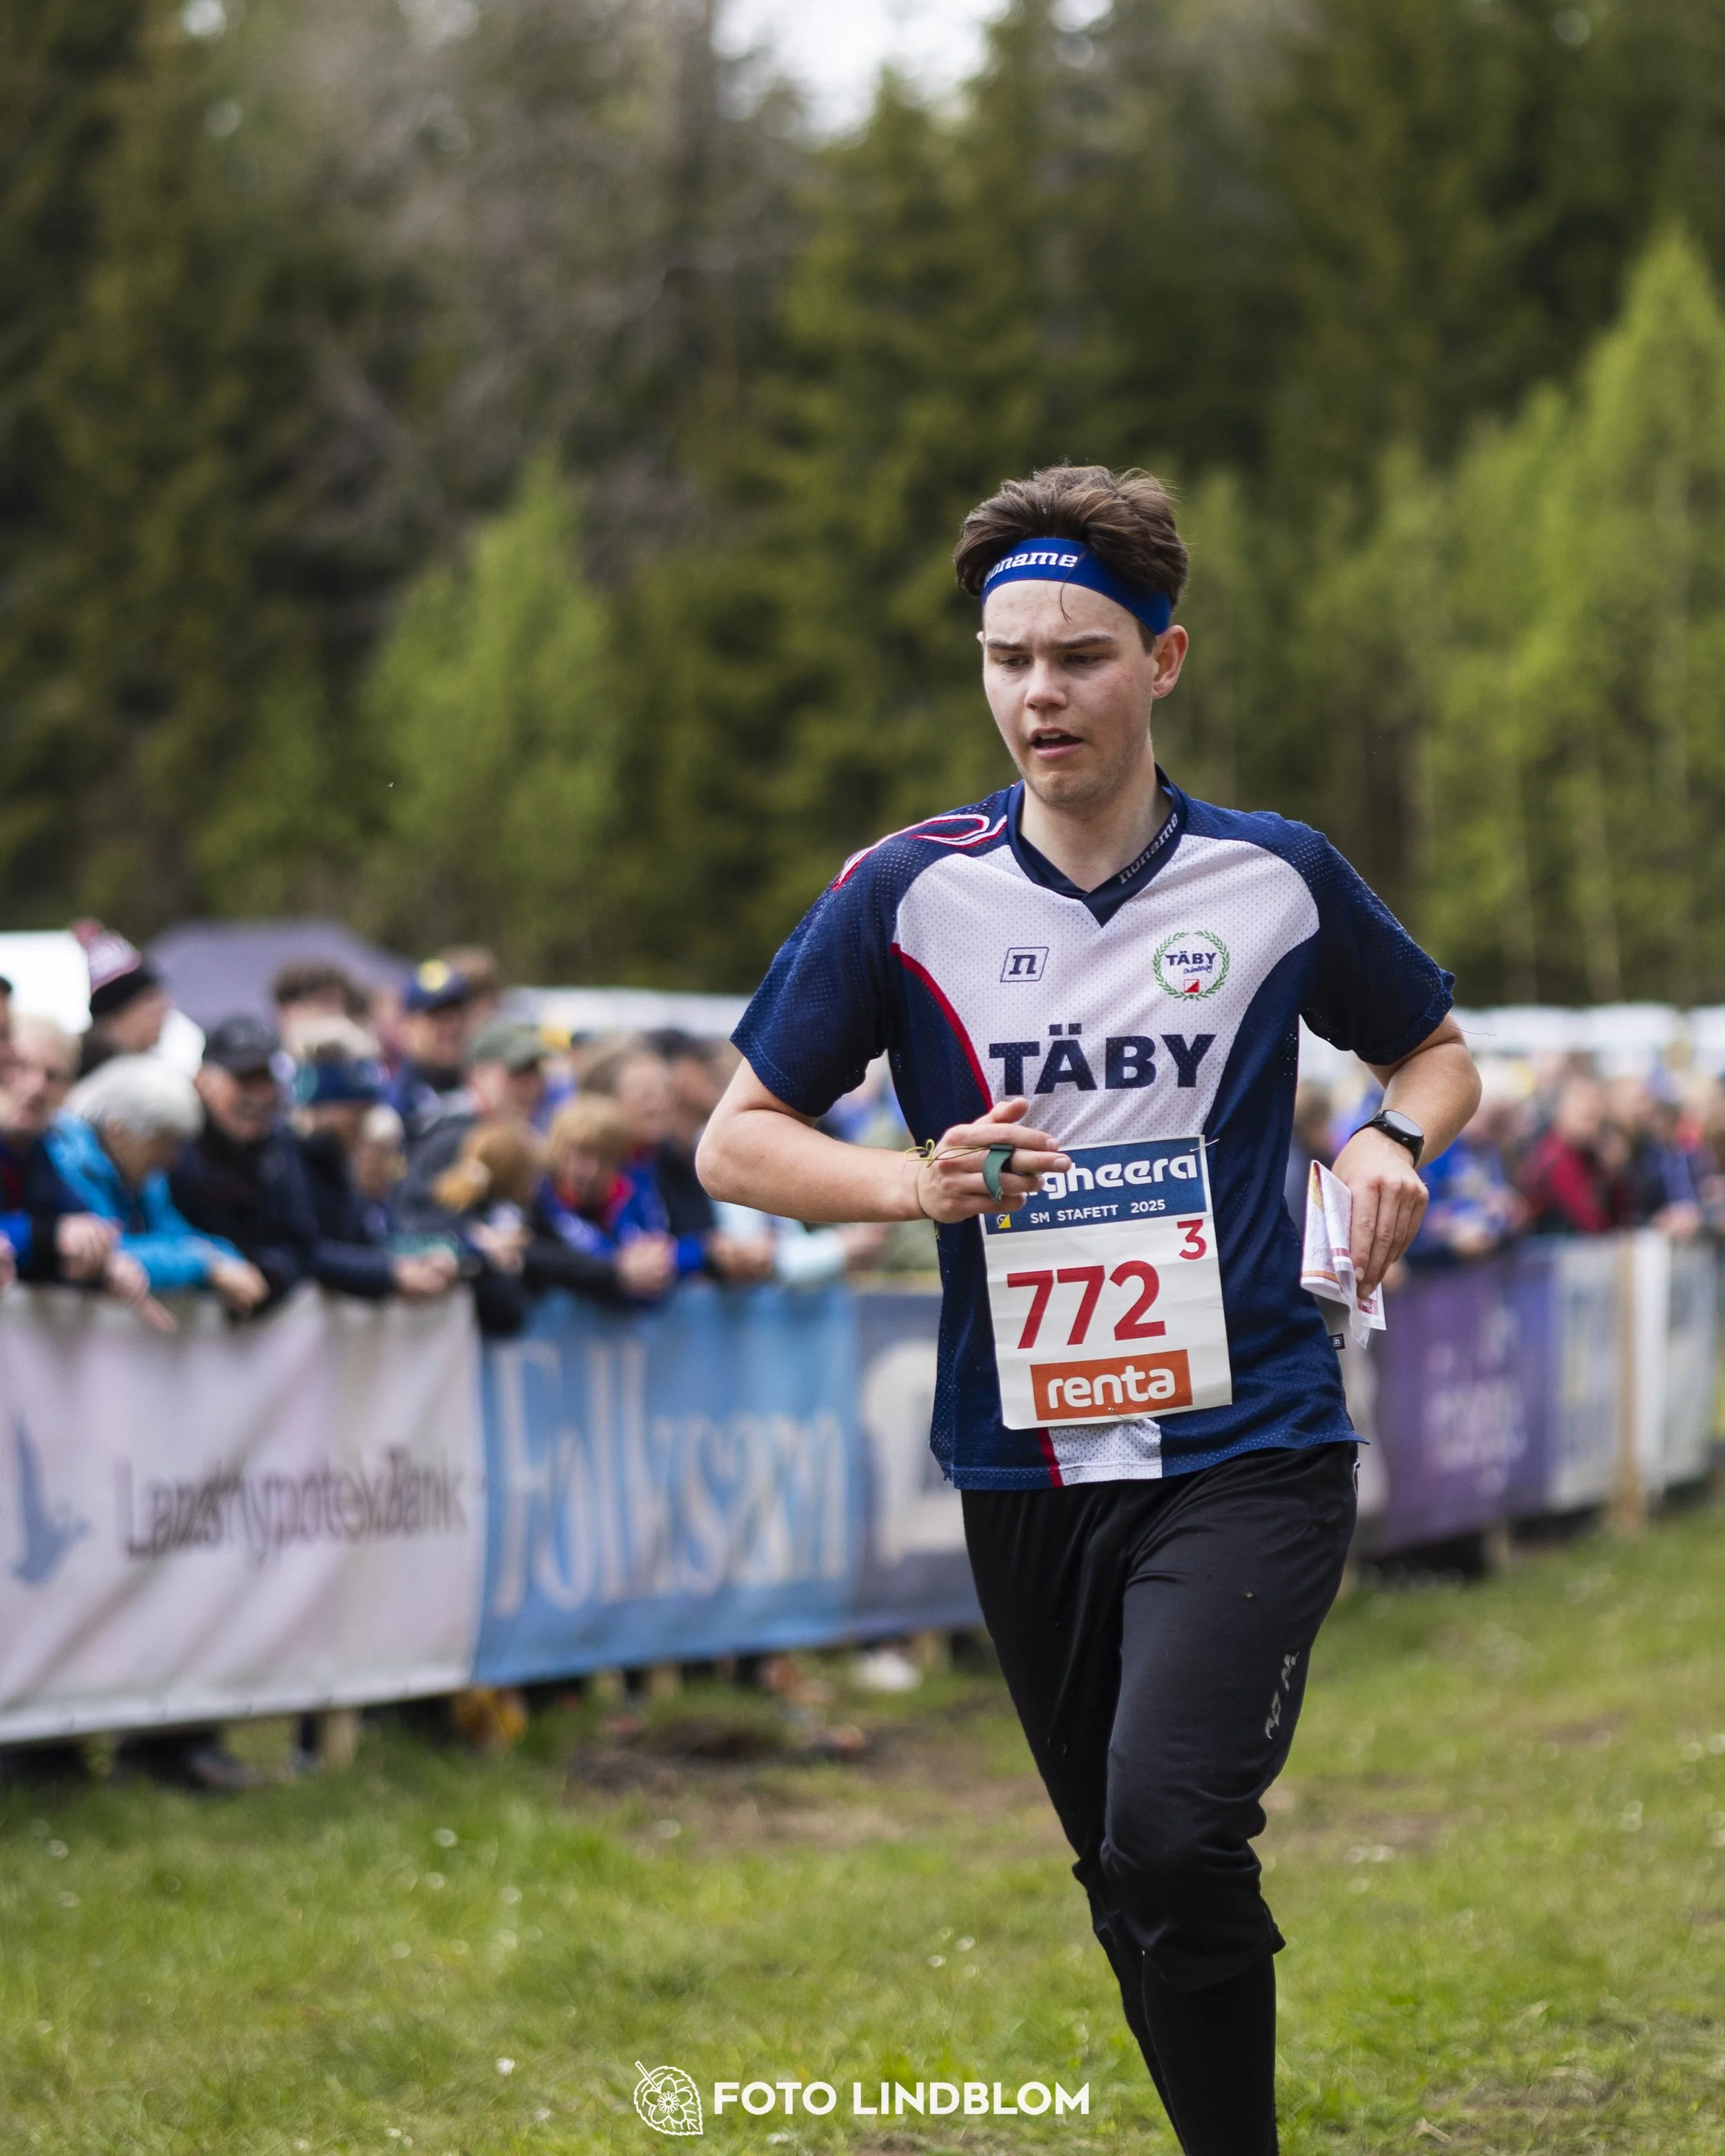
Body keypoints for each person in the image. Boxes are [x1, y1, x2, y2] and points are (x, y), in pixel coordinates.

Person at [698, 463, 1481, 2156]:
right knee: (1120, 1868)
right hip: (1026, 1454)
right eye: (1006, 658)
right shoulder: (908, 893)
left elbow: (1432, 1043)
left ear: (1165, 662)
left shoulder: (1273, 877)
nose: (1038, 693)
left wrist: (1392, 1133)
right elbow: (736, 1142)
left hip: (1249, 1436)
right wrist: (914, 1183)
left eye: (1080, 655)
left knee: (1175, 1827)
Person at [49, 1057, 268, 1320]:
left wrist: (227, 1259)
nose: (173, 1159)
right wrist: (206, 1266)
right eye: (165, 1142)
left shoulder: (145, 1181)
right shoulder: (65, 1163)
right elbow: (108, 1253)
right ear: (119, 1130)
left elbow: (177, 1235)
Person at [584, 1037, 775, 1285]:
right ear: (605, 1102)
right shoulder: (593, 1170)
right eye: (645, 1095)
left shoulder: (665, 1162)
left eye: (665, 1092)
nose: (660, 1104)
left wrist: (724, 1252)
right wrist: (706, 1254)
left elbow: (686, 1237)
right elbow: (615, 1253)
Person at [290, 1034, 460, 1302]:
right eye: (355, 1112)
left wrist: (428, 1257)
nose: (364, 1123)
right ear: (322, 1108)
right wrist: (389, 1276)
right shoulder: (288, 1164)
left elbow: (366, 1243)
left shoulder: (338, 1168)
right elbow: (299, 1251)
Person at [169, 1017, 318, 1312]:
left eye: (267, 1080)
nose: (259, 1096)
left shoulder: (280, 1150)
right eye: (245, 1079)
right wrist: (214, 1268)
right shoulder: (174, 1148)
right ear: (203, 1081)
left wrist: (267, 1275)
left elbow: (300, 1242)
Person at [0, 1014, 134, 1296]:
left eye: (53, 1076)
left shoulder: (40, 1155)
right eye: (20, 1066)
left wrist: (99, 1261)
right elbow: (54, 1233)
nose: (36, 1087)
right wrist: (50, 1238)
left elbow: (76, 1227)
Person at [531, 1095, 678, 1304]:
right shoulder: (536, 1201)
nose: (592, 1170)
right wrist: (615, 1272)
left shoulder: (629, 1196)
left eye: (605, 1157)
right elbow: (539, 1257)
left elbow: (661, 1255)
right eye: (582, 1154)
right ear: (558, 1151)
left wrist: (709, 1257)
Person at [1516, 1075, 1630, 1235]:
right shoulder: (1558, 1159)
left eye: (1597, 1117)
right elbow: (1593, 1226)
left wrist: (1614, 1174)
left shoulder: (1588, 1155)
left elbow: (1619, 1220)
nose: (1594, 1124)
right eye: (1587, 1117)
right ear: (1562, 1111)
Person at [385, 960, 475, 1140]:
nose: (452, 1027)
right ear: (408, 1026)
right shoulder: (393, 1104)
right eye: (438, 1017)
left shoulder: (483, 1089)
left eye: (458, 1015)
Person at [72, 920, 172, 1076]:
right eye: (150, 1001)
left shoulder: (147, 1066)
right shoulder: (80, 1074)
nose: (164, 1012)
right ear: (114, 1015)